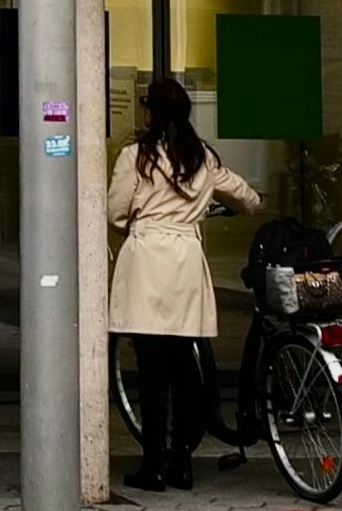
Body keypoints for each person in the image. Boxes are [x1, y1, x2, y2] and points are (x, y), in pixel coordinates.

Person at [108, 70, 258, 489]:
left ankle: (152, 465)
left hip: (146, 262)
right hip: (185, 263)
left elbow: (115, 211)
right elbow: (244, 195)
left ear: (149, 112)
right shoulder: (202, 157)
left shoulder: (135, 156)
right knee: (185, 370)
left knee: (150, 372)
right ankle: (182, 461)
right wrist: (250, 204)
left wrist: (135, 223)